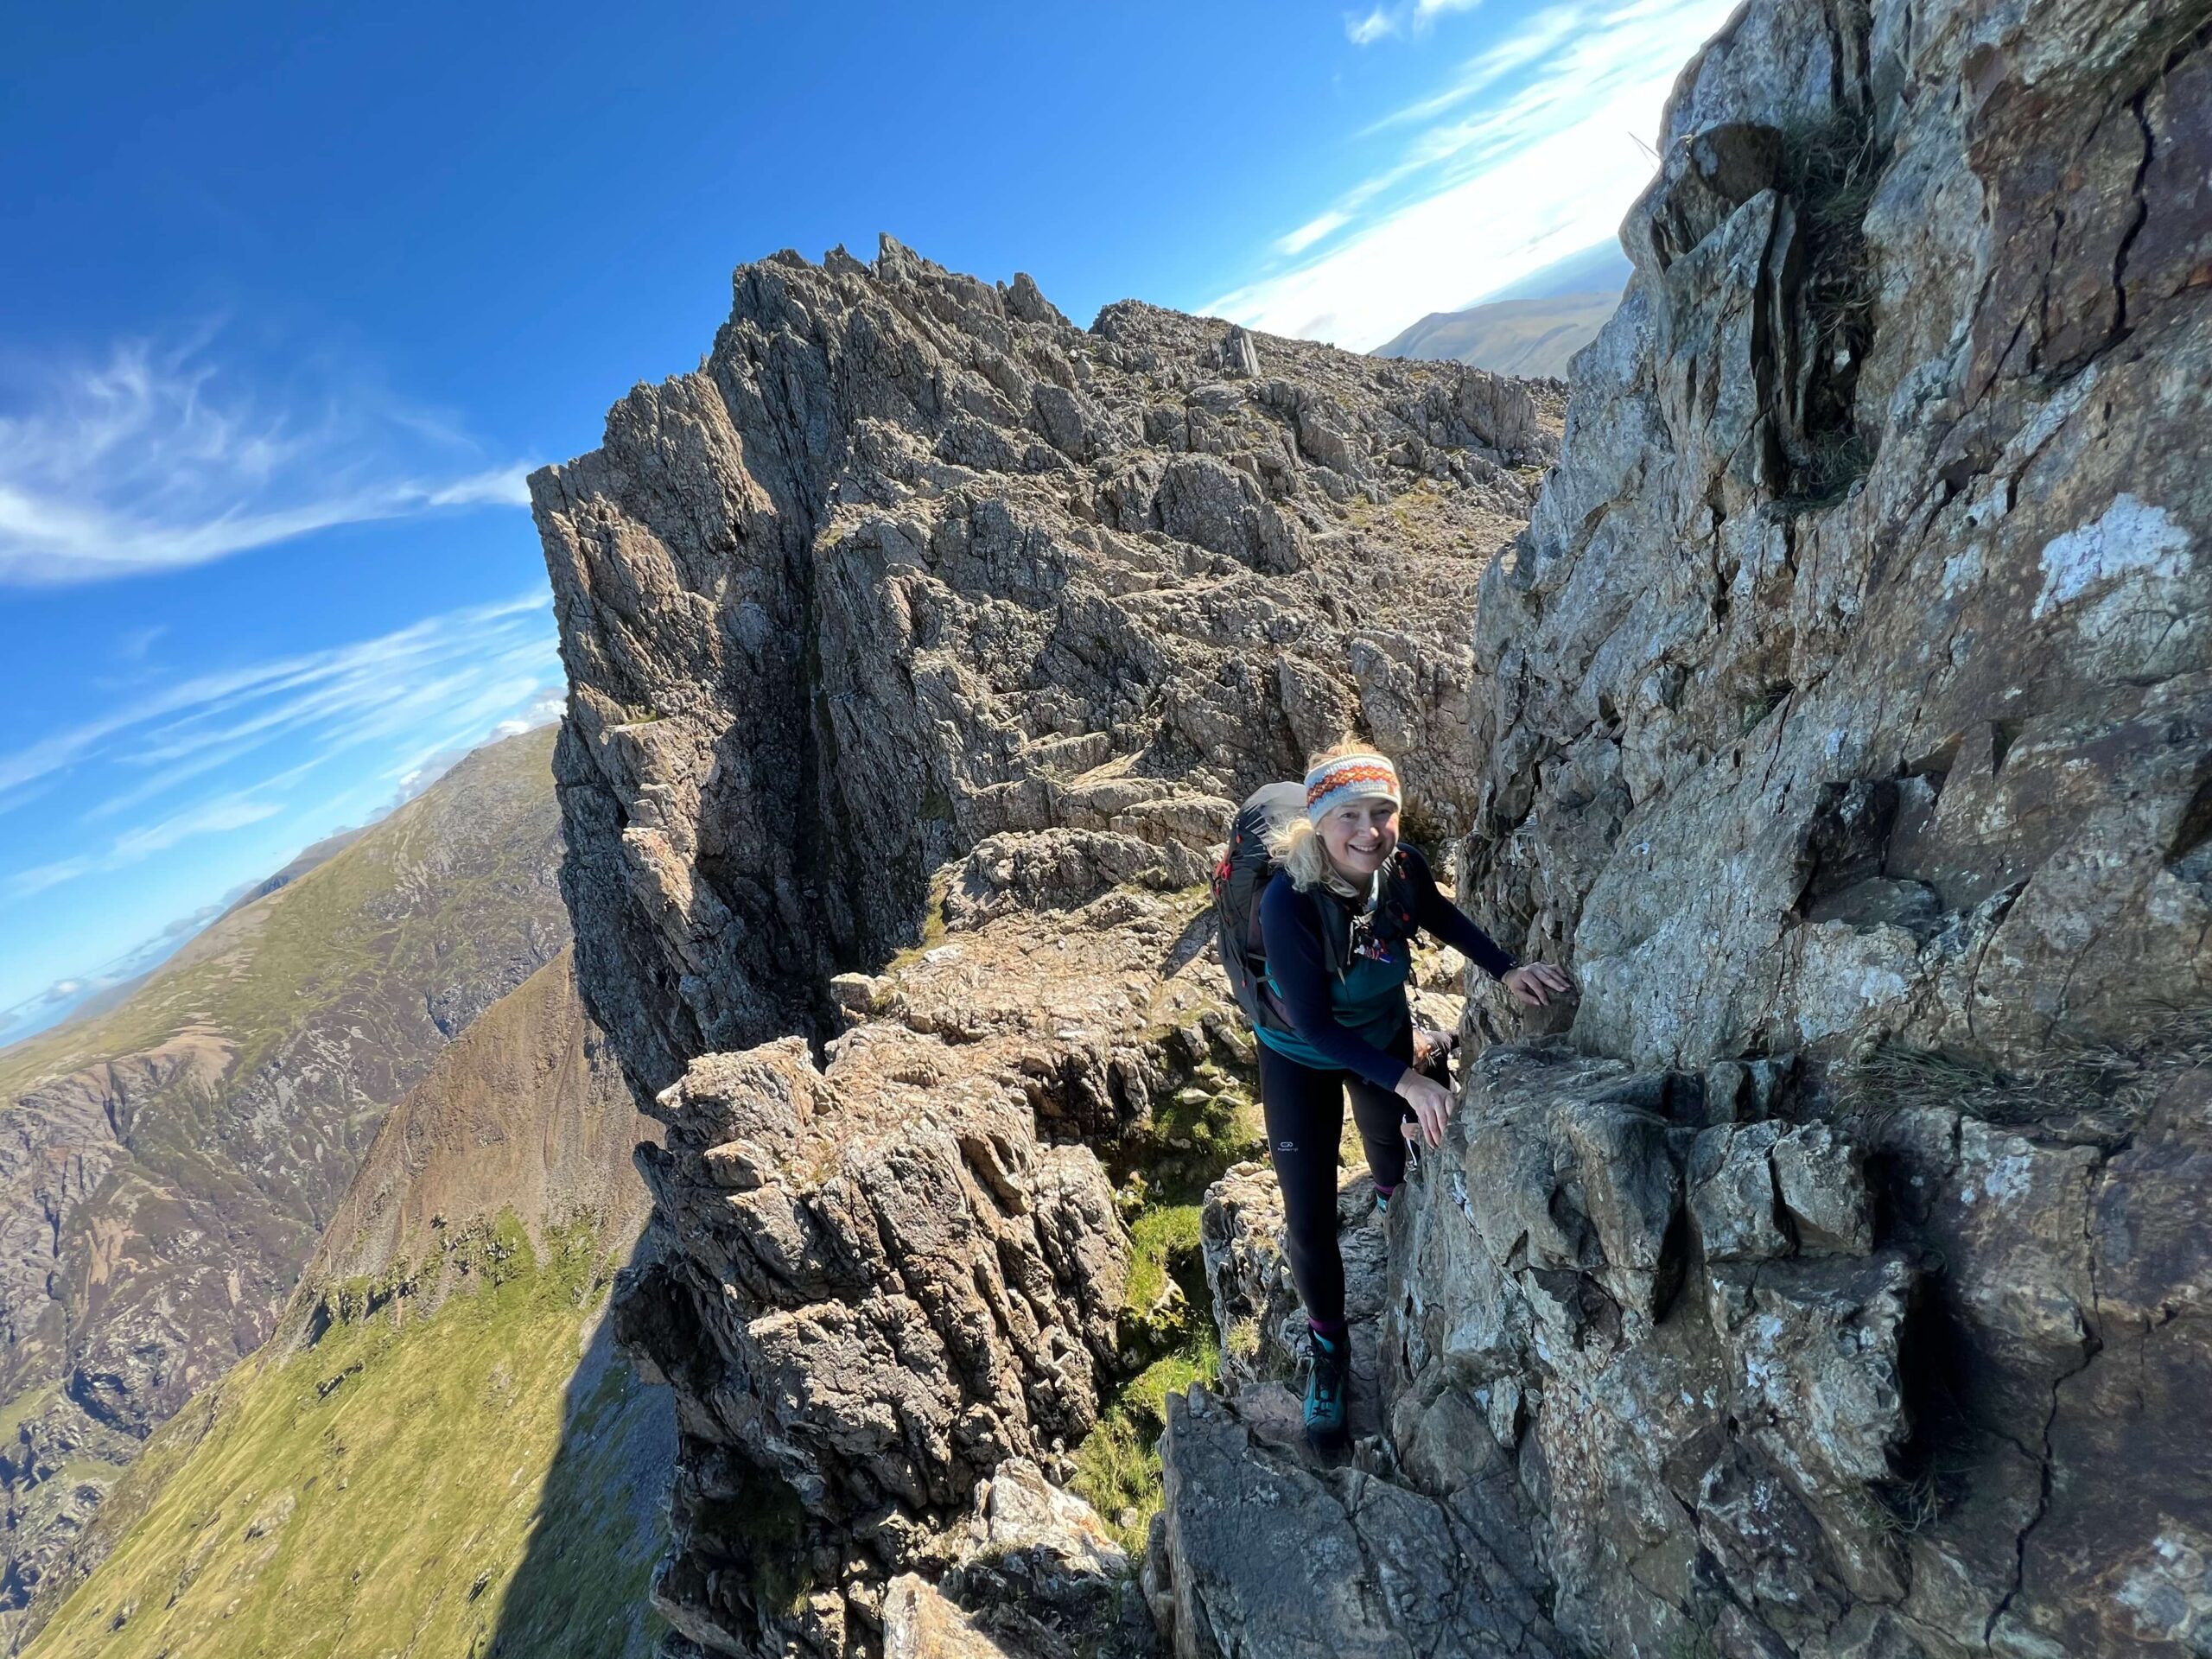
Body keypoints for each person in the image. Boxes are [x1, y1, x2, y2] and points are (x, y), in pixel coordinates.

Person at [1257, 743, 1571, 1451]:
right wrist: (1408, 1078)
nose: (1370, 830)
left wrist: (1508, 968)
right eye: (1349, 816)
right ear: (1317, 824)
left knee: (1391, 1162)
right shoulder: (1290, 901)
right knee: (1307, 1215)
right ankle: (1330, 1353)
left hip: (1384, 1031)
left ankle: (1400, 1234)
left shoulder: (1398, 872)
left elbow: (1440, 917)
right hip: (1298, 1056)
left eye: (1382, 812)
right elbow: (1310, 1022)